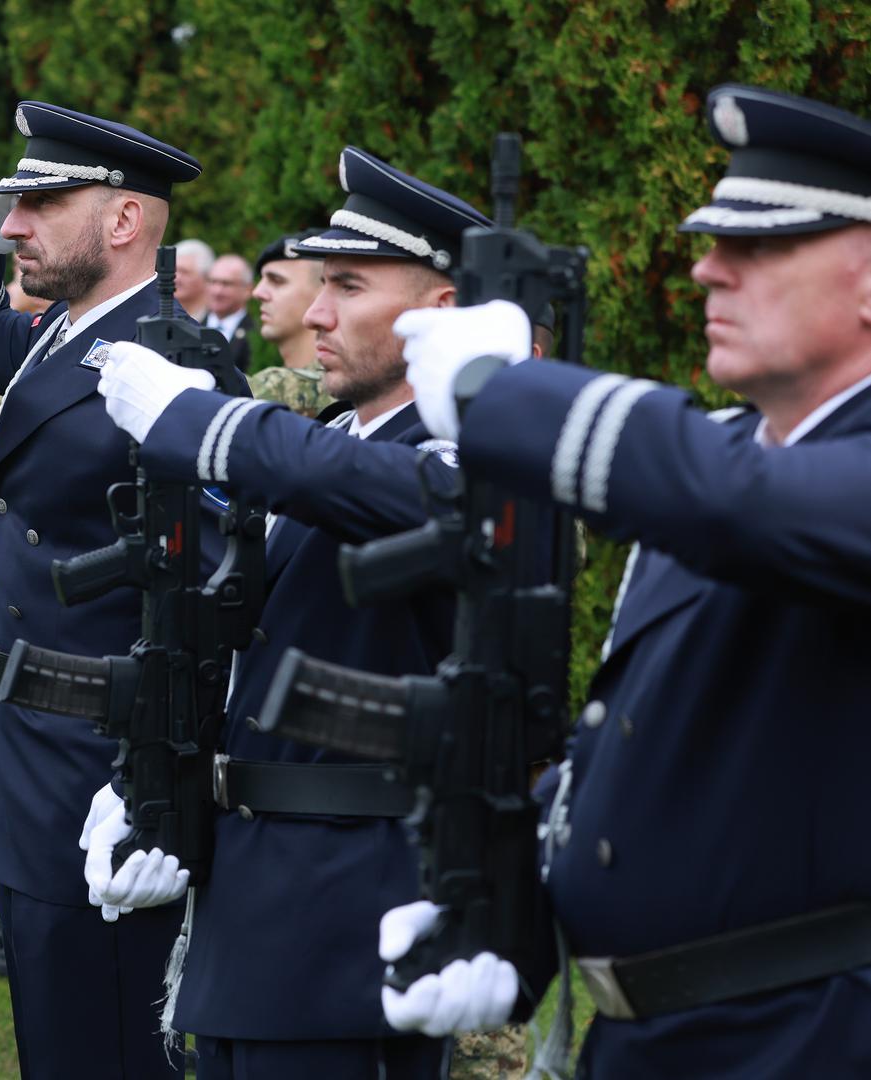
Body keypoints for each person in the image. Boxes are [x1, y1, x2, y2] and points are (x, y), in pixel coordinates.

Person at [375, 84, 871, 1079]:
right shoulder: (732, 463)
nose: (705, 269)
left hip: (807, 1042)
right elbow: (681, 747)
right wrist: (515, 900)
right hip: (659, 1039)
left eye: (759, 248)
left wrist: (502, 395)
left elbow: (745, 508)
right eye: (711, 241)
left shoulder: (748, 487)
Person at [86, 146, 483, 1080]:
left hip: (351, 912)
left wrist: (201, 423)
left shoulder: (468, 455)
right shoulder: (344, 444)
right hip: (255, 901)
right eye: (320, 283)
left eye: (348, 285)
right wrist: (147, 784)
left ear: (441, 311)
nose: (313, 313)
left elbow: (367, 486)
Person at [0, 100, 204, 1080]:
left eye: (43, 200)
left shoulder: (174, 357)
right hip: (32, 752)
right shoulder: (58, 336)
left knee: (106, 1042)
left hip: (103, 766)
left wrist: (151, 787)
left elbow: (197, 593)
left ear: (124, 222)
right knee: (54, 1034)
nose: (18, 225)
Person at [245, 230, 328, 416]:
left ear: (323, 292)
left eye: (276, 281)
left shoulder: (331, 386)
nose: (258, 292)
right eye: (262, 280)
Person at [203, 252, 254, 369]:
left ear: (247, 290)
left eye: (226, 284)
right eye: (213, 282)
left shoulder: (257, 336)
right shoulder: (192, 327)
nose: (217, 291)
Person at [174, 237, 215, 319]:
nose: (176, 278)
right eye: (173, 270)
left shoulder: (217, 320)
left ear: (206, 277)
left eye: (185, 272)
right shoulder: (155, 314)